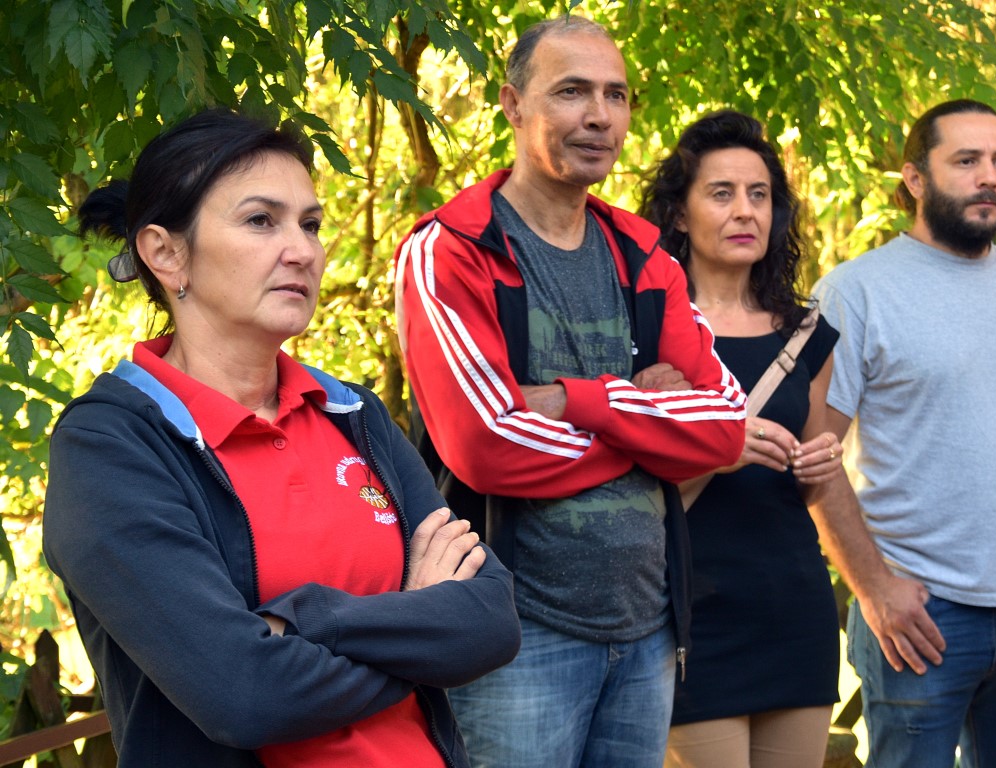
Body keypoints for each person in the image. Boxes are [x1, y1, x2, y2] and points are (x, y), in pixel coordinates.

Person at [43, 108, 521, 768]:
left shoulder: (352, 413)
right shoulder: (110, 446)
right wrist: (418, 620)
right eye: (261, 220)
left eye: (311, 224)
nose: (302, 250)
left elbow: (489, 619)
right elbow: (244, 694)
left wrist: (300, 623)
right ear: (165, 252)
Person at [394, 16, 746, 768]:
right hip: (513, 637)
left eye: (615, 95)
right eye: (572, 92)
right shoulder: (453, 248)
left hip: (647, 631)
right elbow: (485, 444)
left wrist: (576, 401)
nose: (599, 116)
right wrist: (649, 425)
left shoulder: (645, 255)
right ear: (513, 104)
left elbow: (722, 425)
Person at [809, 98, 996, 768]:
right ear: (915, 178)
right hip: (919, 618)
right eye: (967, 161)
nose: (988, 177)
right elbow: (815, 454)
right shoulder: (854, 292)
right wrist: (873, 588)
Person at [638, 109, 845, 768]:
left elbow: (807, 489)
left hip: (794, 608)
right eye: (721, 193)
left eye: (758, 195)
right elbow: (624, 490)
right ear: (679, 213)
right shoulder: (643, 331)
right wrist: (718, 451)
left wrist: (819, 465)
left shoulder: (807, 334)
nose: (744, 211)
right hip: (690, 614)